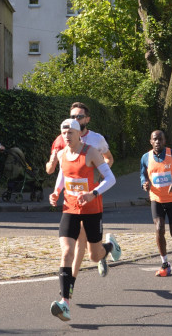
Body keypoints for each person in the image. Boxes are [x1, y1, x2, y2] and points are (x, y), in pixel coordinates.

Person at [48, 118, 121, 322]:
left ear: (79, 133)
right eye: (63, 133)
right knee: (67, 252)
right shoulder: (62, 154)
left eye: (70, 132)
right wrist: (56, 192)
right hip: (69, 209)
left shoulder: (90, 152)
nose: (66, 136)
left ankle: (109, 246)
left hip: (91, 210)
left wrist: (93, 193)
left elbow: (110, 179)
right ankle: (65, 303)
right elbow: (64, 174)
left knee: (95, 256)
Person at [45, 102, 115, 284]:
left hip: (92, 198)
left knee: (88, 250)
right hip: (72, 203)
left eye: (79, 116)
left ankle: (102, 251)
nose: (75, 119)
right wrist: (56, 190)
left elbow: (109, 160)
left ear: (86, 120)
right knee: (73, 247)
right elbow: (58, 170)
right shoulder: (63, 139)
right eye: (72, 116)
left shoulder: (96, 140)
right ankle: (68, 289)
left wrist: (97, 183)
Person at [140, 129, 172, 277]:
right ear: (150, 142)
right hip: (156, 199)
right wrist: (144, 183)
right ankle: (165, 264)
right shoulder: (145, 157)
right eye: (154, 139)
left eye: (160, 139)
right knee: (159, 229)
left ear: (164, 141)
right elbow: (143, 174)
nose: (157, 142)